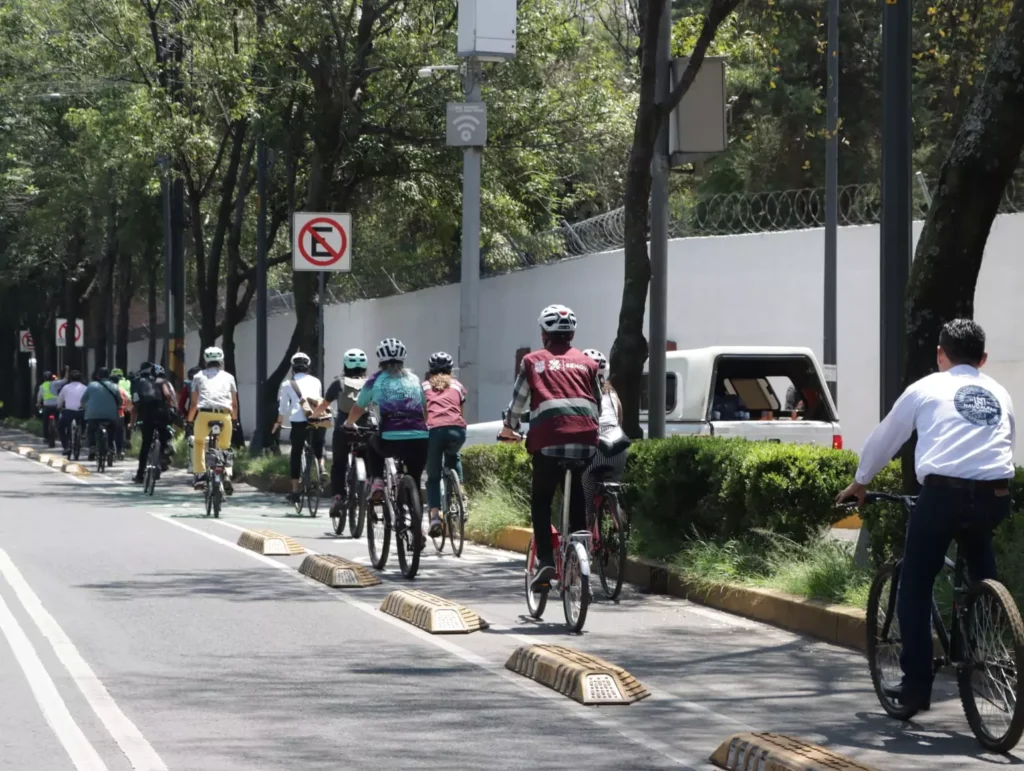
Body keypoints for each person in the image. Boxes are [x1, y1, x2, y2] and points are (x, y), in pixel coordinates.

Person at [836, 319, 1015, 713]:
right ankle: (986, 622)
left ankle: (917, 686)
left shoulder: (926, 387)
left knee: (914, 586)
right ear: (982, 359)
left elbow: (887, 436)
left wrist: (861, 482)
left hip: (942, 496)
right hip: (996, 494)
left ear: (940, 355)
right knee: (979, 553)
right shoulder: (1000, 393)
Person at [499, 305, 601, 591]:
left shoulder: (533, 362)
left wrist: (509, 427)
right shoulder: (588, 363)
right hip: (585, 442)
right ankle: (581, 553)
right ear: (571, 335)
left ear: (545, 335)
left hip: (548, 442)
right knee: (579, 496)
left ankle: (545, 559)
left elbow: (518, 403)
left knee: (541, 500)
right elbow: (598, 404)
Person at [343, 339, 429, 518]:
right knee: (414, 478)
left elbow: (359, 407)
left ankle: (378, 482)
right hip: (420, 438)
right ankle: (417, 526)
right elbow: (424, 409)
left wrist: (349, 423)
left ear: (380, 361)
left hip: (390, 438)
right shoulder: (414, 379)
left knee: (372, 442)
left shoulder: (375, 380)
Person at [311, 348, 370, 516]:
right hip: (366, 429)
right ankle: (373, 491)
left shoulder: (339, 383)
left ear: (345, 364)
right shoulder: (371, 383)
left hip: (343, 429)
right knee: (371, 460)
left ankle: (338, 497)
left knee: (339, 464)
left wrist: (314, 417)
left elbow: (324, 404)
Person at [579, 349, 630, 524]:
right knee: (613, 483)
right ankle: (619, 524)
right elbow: (619, 421)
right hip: (618, 447)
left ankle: (588, 530)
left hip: (595, 446)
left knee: (584, 496)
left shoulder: (581, 392)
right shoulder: (612, 393)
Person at [422, 351, 467, 537]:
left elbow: (424, 413)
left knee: (433, 477)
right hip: (457, 430)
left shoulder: (424, 386)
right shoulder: (458, 386)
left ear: (430, 370)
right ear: (451, 370)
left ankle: (435, 517)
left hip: (433, 430)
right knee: (454, 455)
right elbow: (460, 411)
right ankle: (461, 493)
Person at [274, 352, 326, 505]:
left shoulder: (287, 384)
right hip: (318, 417)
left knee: (296, 453)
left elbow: (283, 407)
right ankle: (322, 468)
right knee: (318, 445)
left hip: (298, 421)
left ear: (293, 368)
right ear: (308, 367)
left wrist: (278, 422)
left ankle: (295, 490)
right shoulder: (316, 381)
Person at [187, 347, 238, 492]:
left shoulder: (197, 377)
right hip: (224, 415)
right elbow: (234, 403)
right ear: (221, 360)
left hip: (204, 414)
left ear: (205, 360)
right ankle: (227, 474)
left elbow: (194, 404)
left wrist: (189, 421)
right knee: (225, 447)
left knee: (199, 443)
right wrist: (234, 420)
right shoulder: (229, 377)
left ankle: (200, 475)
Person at [133, 364, 177, 484]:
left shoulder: (141, 383)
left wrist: (134, 421)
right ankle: (163, 456)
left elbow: (136, 402)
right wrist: (170, 406)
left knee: (146, 445)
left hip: (146, 416)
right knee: (164, 438)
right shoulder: (162, 382)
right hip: (162, 414)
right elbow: (168, 395)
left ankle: (140, 474)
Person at [81, 367, 123, 461]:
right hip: (110, 415)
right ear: (108, 376)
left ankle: (92, 447)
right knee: (112, 430)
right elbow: (120, 401)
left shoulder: (91, 385)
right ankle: (111, 447)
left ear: (98, 376)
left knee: (91, 430)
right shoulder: (114, 386)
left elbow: (83, 401)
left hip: (93, 414)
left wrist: (87, 408)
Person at [55, 369, 87, 457]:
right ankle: (83, 433)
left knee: (61, 426)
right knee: (85, 421)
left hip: (69, 412)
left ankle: (66, 446)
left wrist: (59, 407)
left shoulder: (66, 387)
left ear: (70, 379)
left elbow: (59, 400)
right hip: (82, 412)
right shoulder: (85, 388)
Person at [36, 368, 67, 441]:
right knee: (59, 420)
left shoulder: (42, 386)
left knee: (45, 422)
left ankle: (46, 437)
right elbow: (65, 380)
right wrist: (67, 371)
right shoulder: (55, 383)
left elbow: (39, 397)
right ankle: (60, 434)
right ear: (51, 377)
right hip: (56, 406)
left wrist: (38, 404)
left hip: (46, 406)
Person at [112, 367, 133, 443]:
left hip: (117, 406)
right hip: (128, 405)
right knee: (128, 422)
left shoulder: (113, 384)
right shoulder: (128, 382)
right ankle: (128, 439)